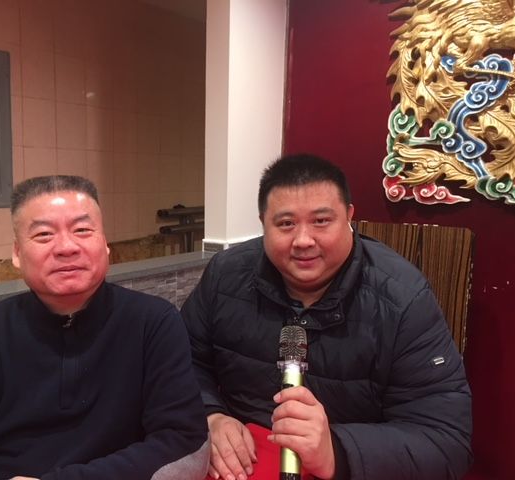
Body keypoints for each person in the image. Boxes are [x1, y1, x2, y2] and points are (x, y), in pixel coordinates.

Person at [181, 154, 472, 480]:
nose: (303, 240)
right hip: (240, 463)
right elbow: (179, 361)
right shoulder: (226, 275)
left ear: (349, 216)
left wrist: (337, 450)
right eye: (286, 224)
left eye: (321, 221)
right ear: (263, 222)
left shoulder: (403, 299)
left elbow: (446, 442)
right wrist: (211, 415)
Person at [0, 175, 209, 480]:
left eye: (82, 230)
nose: (66, 247)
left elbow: (181, 438)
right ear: (17, 253)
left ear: (105, 245)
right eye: (43, 235)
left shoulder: (152, 322)